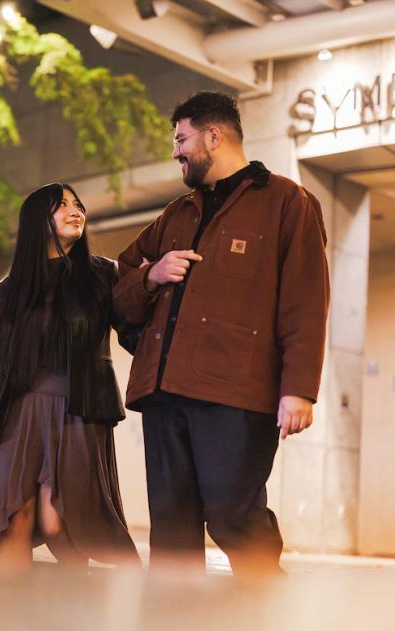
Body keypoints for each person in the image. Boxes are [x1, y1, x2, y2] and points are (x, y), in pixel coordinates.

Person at [113, 91, 330, 578]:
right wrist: (152, 275)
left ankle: (265, 611)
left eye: (181, 138)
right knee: (170, 528)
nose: (175, 151)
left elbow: (306, 302)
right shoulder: (175, 215)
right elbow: (117, 291)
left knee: (233, 514)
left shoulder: (288, 203)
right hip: (164, 393)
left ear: (214, 136)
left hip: (236, 394)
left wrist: (299, 389)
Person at [0, 182, 140, 573]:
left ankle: (75, 619)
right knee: (16, 521)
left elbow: (134, 333)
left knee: (59, 520)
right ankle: (0, 620)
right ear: (37, 221)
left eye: (77, 204)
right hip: (20, 418)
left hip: (78, 413)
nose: (74, 210)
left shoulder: (102, 275)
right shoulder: (8, 293)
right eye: (61, 205)